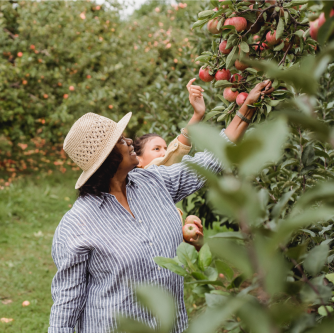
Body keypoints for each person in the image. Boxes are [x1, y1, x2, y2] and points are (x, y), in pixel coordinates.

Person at [49, 80, 274, 333]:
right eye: (122, 141)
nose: (131, 140)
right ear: (108, 159)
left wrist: (247, 110)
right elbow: (65, 309)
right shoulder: (77, 225)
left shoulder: (153, 182)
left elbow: (210, 160)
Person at [133, 79, 206, 246]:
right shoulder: (144, 176)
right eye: (156, 149)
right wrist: (197, 115)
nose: (164, 153)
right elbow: (177, 150)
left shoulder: (164, 186)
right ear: (138, 160)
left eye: (165, 148)